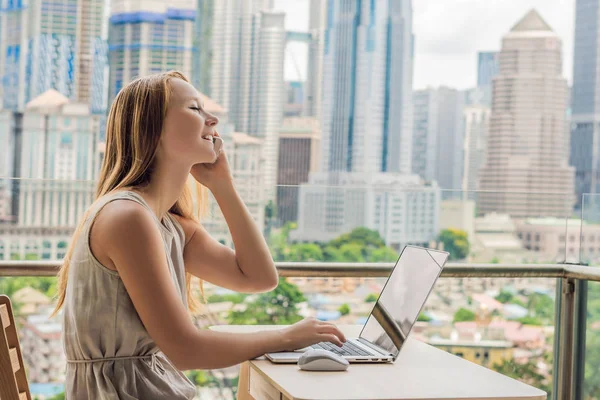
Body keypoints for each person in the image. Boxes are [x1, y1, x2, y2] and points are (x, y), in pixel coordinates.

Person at [52, 71, 346, 399]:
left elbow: (259, 277)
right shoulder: (127, 217)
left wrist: (223, 186)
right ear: (153, 129)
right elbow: (186, 350)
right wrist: (286, 337)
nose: (212, 119)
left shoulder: (166, 224)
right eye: (194, 109)